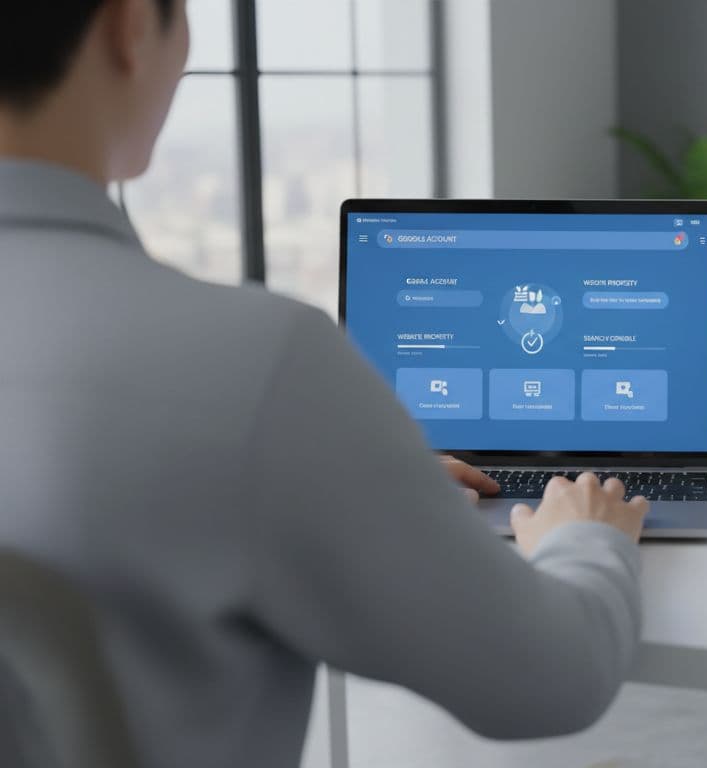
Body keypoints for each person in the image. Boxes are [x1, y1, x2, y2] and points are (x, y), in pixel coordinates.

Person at [0, 2, 649, 767]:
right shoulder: (251, 365)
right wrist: (588, 534)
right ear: (131, 26)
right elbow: (550, 681)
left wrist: (359, 480)